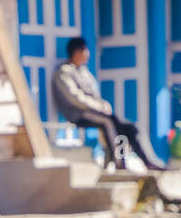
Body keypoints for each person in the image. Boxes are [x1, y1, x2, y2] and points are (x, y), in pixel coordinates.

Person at [51, 37, 166, 171]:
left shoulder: (84, 72)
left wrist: (103, 105)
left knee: (129, 128)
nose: (88, 54)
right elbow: (75, 98)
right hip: (78, 114)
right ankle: (120, 163)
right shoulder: (64, 72)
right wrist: (99, 107)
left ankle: (147, 161)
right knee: (107, 123)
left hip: (96, 112)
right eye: (85, 50)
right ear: (77, 52)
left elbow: (94, 95)